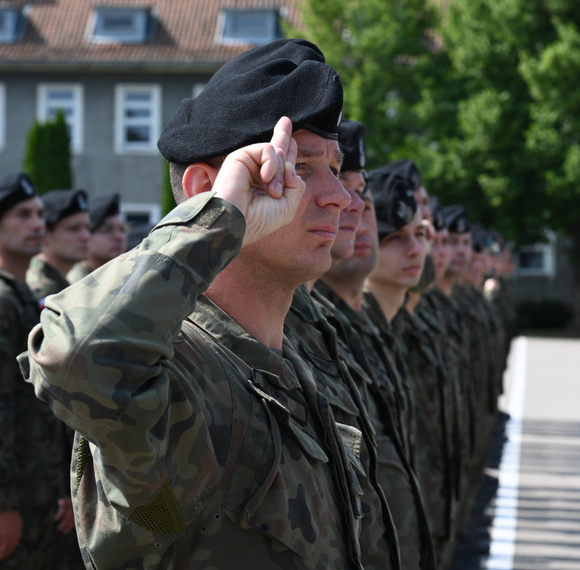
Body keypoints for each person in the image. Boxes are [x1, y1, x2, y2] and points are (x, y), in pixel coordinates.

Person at [19, 45, 365, 569]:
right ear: (205, 190)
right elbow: (76, 357)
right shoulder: (184, 378)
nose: (340, 196)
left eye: (335, 169)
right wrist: (217, 219)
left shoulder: (285, 367)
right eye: (303, 167)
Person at [314, 171, 436, 570]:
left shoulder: (366, 330)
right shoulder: (317, 334)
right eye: (397, 236)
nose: (354, 209)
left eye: (364, 200)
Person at [0, 173, 73, 569]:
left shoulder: (23, 296)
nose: (36, 225)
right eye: (22, 214)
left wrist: (59, 487)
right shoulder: (3, 300)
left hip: (40, 496)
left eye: (40, 215)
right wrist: (3, 505)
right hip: (16, 503)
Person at [26, 188, 90, 303]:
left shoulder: (58, 279)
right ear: (45, 233)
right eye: (74, 229)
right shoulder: (43, 286)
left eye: (87, 228)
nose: (85, 236)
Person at [67, 193, 128, 283]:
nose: (119, 237)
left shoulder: (121, 275)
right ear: (87, 236)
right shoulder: (75, 281)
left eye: (122, 229)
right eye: (106, 230)